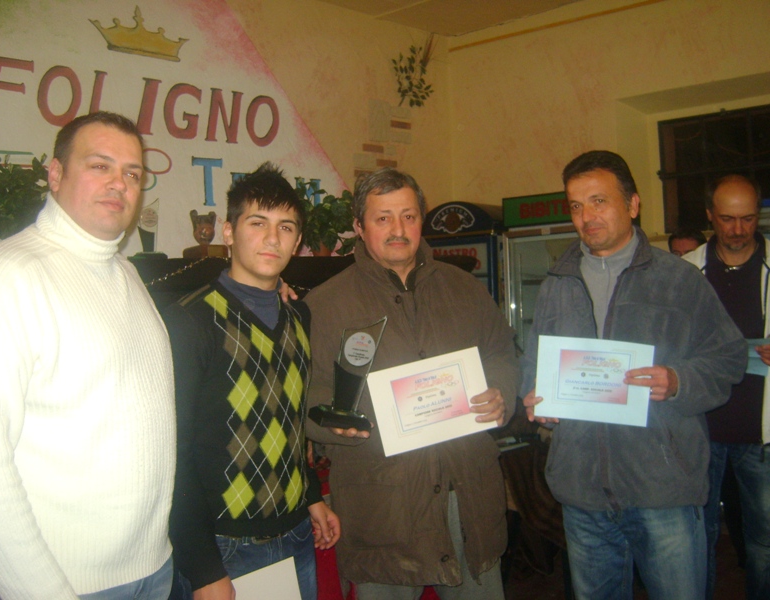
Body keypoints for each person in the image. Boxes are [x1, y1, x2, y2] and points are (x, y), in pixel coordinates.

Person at [521, 150, 746, 600]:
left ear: (633, 204)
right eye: (576, 205)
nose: (586, 217)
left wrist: (678, 381)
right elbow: (534, 365)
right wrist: (535, 398)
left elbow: (728, 357)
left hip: (663, 491)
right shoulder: (556, 285)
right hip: (582, 495)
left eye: (599, 201)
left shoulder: (679, 280)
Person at [0, 112, 176, 599]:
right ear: (56, 174)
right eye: (100, 166)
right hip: (64, 584)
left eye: (132, 173)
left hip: (153, 569)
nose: (119, 184)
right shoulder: (7, 277)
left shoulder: (125, 273)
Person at [305, 167, 520, 600]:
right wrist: (334, 423)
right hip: (381, 508)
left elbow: (502, 353)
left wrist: (501, 392)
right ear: (359, 226)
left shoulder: (465, 289)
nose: (398, 230)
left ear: (421, 219)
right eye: (383, 218)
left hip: (466, 498)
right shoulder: (323, 305)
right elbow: (304, 399)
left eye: (408, 216)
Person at [163, 162, 340, 600]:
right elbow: (173, 452)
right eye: (257, 223)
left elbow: (289, 420)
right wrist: (202, 569)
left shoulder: (299, 316)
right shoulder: (191, 321)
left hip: (296, 533)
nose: (272, 238)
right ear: (229, 232)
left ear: (297, 241)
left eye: (286, 227)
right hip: (225, 545)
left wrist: (312, 496)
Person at [684, 174, 770, 600]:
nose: (738, 229)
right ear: (710, 216)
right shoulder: (685, 270)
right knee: (697, 539)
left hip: (761, 431)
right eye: (727, 219)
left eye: (748, 218)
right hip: (701, 428)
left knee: (765, 543)